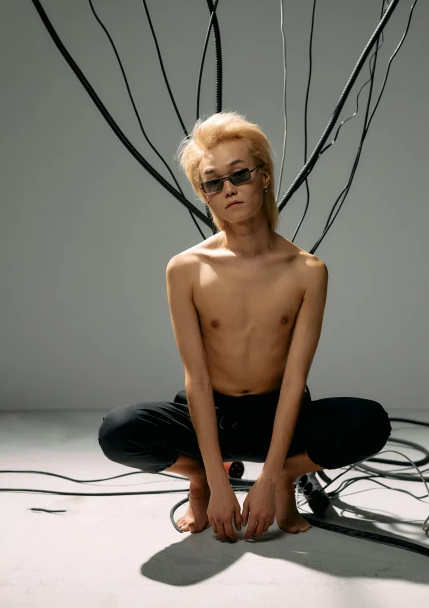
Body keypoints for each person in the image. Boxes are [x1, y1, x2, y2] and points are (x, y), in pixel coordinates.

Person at [98, 111, 391, 541]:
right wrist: (216, 484)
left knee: (370, 422)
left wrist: (270, 477)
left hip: (280, 412)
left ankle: (289, 475)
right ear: (204, 195)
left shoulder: (307, 270)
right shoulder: (186, 268)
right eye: (212, 182)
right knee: (118, 430)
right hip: (208, 412)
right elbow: (196, 379)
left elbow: (295, 380)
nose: (228, 189)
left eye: (238, 174)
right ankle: (200, 476)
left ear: (264, 176)